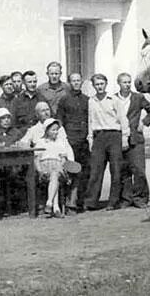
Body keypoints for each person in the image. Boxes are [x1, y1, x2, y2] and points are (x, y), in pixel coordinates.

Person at [84, 74, 129, 211]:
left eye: (102, 84)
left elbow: (123, 120)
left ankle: (113, 202)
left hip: (114, 135)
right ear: (93, 86)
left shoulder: (114, 100)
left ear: (106, 84)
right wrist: (91, 139)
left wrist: (125, 138)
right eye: (97, 84)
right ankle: (91, 201)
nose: (100, 87)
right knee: (96, 170)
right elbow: (90, 121)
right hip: (99, 137)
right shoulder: (91, 101)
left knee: (115, 170)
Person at [116, 73, 150, 209]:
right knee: (124, 170)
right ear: (119, 84)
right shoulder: (113, 98)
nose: (127, 85)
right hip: (119, 138)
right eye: (124, 82)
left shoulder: (138, 98)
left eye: (129, 82)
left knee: (139, 170)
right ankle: (126, 198)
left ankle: (140, 198)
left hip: (136, 138)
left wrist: (144, 122)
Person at [56, 73, 90, 212]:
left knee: (85, 171)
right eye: (73, 81)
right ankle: (70, 203)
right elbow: (59, 120)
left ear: (81, 82)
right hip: (70, 140)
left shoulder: (87, 100)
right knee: (71, 171)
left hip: (84, 140)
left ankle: (81, 201)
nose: (76, 83)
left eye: (78, 80)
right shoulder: (64, 100)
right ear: (69, 83)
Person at [33, 119, 74, 218]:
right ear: (47, 131)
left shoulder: (60, 142)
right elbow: (37, 159)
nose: (55, 132)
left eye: (57, 130)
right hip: (44, 169)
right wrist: (40, 171)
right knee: (53, 177)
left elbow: (63, 159)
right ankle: (55, 207)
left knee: (55, 174)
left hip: (58, 168)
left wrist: (61, 166)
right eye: (53, 130)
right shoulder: (41, 142)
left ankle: (49, 202)